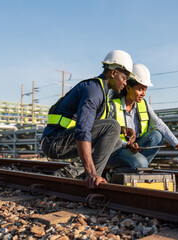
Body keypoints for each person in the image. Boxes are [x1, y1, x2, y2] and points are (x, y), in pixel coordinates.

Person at [40, 50, 135, 189]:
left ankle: (68, 174)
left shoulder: (102, 91)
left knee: (115, 140)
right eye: (124, 78)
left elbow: (94, 128)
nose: (125, 83)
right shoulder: (94, 91)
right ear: (114, 73)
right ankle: (91, 178)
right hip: (54, 142)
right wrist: (92, 172)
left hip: (62, 140)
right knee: (112, 126)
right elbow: (83, 131)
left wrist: (122, 130)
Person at [106, 63, 178, 173]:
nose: (143, 94)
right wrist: (127, 145)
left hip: (133, 148)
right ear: (128, 88)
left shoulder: (144, 105)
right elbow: (106, 136)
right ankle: (119, 170)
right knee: (142, 164)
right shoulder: (112, 106)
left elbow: (160, 125)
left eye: (145, 90)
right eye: (140, 89)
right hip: (115, 151)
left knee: (157, 134)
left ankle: (131, 170)